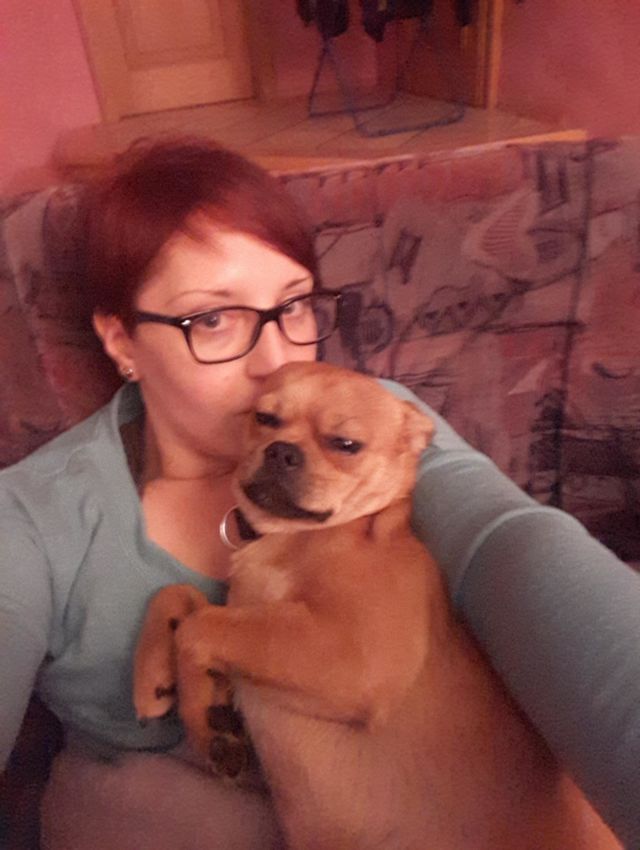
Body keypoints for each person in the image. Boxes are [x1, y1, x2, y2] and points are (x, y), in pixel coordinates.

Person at [0, 137, 638, 849]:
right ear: (121, 341)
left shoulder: (380, 418)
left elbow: (512, 543)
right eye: (212, 319)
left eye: (295, 306)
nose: (275, 362)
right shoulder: (32, 516)